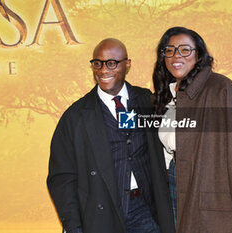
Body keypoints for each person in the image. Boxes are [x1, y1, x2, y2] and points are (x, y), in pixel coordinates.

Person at [47, 38, 175, 233]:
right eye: (97, 63)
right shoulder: (76, 116)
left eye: (111, 63)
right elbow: (62, 177)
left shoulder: (147, 101)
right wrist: (73, 226)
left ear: (127, 64)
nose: (103, 70)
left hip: (146, 211)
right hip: (103, 214)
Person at [153, 27, 232, 233]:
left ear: (198, 55)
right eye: (169, 50)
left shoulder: (221, 89)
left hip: (208, 186)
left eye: (185, 50)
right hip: (173, 180)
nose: (176, 56)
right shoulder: (168, 95)